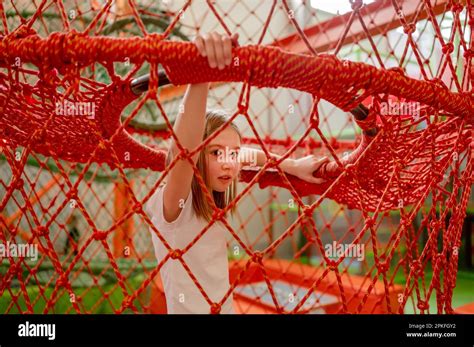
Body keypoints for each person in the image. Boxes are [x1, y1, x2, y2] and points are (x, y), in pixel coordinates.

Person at [145, 32, 329, 314]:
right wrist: (200, 74)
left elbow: (247, 156)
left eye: (231, 153)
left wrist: (292, 165)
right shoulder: (173, 204)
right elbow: (183, 153)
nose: (229, 163)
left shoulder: (217, 188)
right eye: (216, 152)